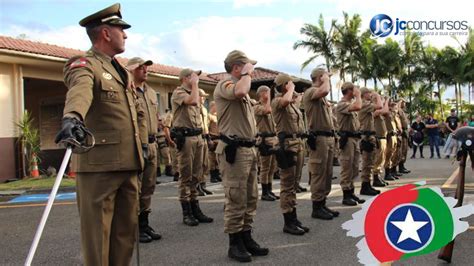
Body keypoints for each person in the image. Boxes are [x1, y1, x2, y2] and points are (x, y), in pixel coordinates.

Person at [54, 3, 144, 265]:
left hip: (129, 164)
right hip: (100, 167)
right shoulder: (85, 65)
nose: (125, 35)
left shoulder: (121, 71)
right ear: (106, 33)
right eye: (121, 30)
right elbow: (80, 91)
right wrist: (73, 117)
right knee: (98, 240)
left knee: (125, 237)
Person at [214, 50, 268, 262]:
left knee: (250, 197)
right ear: (236, 67)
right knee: (236, 198)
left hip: (249, 149)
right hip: (235, 151)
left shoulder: (242, 89)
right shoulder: (226, 85)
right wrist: (246, 74)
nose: (252, 71)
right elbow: (239, 90)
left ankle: (246, 237)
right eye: (247, 66)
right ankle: (234, 244)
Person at [171, 68, 213, 226]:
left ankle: (195, 208)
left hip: (198, 136)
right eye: (192, 76)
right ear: (184, 78)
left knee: (197, 174)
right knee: (186, 175)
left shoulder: (193, 92)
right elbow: (193, 101)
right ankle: (186, 212)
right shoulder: (179, 92)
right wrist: (195, 85)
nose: (195, 78)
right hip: (186, 138)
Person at [127, 57, 162, 243]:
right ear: (132, 70)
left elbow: (155, 118)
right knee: (136, 187)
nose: (145, 71)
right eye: (141, 68)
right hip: (137, 145)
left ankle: (144, 223)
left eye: (147, 68)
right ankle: (133, 227)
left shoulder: (150, 92)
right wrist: (128, 72)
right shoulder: (127, 88)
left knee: (149, 186)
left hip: (153, 143)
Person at [272, 73, 309, 235]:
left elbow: (293, 102)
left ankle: (293, 218)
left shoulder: (292, 103)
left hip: (297, 144)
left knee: (294, 183)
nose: (293, 86)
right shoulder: (277, 101)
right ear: (284, 85)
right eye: (290, 83)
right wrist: (291, 89)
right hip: (287, 146)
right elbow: (285, 100)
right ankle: (288, 221)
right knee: (287, 185)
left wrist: (296, 94)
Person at [302, 68, 340, 220]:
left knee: (327, 173)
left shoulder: (320, 95)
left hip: (327, 138)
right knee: (318, 172)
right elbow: (324, 90)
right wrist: (326, 79)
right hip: (319, 138)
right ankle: (316, 207)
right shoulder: (311, 91)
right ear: (319, 77)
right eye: (324, 76)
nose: (327, 78)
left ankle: (322, 203)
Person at [336, 82, 365, 206]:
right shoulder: (342, 104)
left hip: (354, 139)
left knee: (354, 168)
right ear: (349, 91)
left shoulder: (349, 104)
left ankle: (351, 192)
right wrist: (359, 95)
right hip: (347, 139)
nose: (356, 91)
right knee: (346, 168)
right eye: (354, 89)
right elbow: (359, 106)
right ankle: (346, 195)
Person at [254, 85, 279, 201]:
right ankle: (264, 192)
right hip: (264, 140)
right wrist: (269, 98)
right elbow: (267, 110)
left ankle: (269, 190)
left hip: (272, 139)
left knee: (272, 167)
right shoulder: (257, 107)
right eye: (267, 93)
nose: (269, 95)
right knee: (265, 167)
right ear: (261, 94)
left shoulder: (268, 106)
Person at [358, 87, 382, 196]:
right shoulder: (364, 104)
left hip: (369, 136)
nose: (370, 94)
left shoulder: (366, 104)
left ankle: (367, 185)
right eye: (368, 93)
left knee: (370, 163)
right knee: (366, 163)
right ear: (364, 94)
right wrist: (377, 96)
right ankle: (365, 186)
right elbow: (380, 106)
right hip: (366, 136)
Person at [197, 89, 213, 196]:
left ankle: (203, 185)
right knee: (198, 164)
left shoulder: (204, 109)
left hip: (204, 137)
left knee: (205, 164)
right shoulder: (193, 108)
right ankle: (197, 186)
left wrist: (209, 138)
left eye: (204, 96)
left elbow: (206, 126)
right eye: (201, 96)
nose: (203, 98)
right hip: (197, 137)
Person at [371, 96, 390, 187]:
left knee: (381, 159)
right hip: (378, 138)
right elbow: (385, 110)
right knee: (378, 159)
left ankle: (378, 176)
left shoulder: (379, 113)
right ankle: (375, 178)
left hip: (382, 138)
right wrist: (386, 100)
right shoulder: (375, 112)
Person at [383, 101, 399, 181]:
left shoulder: (393, 114)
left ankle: (391, 172)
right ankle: (387, 173)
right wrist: (386, 102)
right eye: (394, 107)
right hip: (389, 136)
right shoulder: (386, 113)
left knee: (393, 154)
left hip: (394, 135)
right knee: (388, 155)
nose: (395, 109)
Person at [207, 101, 221, 183]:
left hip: (218, 139)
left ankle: (217, 174)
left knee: (217, 158)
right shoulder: (209, 116)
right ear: (213, 106)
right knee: (212, 159)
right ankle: (213, 176)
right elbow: (207, 128)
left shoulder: (217, 116)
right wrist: (209, 140)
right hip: (213, 138)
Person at [397, 99, 410, 173]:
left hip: (405, 131)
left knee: (405, 150)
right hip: (401, 132)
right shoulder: (399, 110)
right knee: (401, 151)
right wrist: (399, 101)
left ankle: (402, 166)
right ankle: (400, 167)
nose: (404, 104)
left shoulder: (403, 111)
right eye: (403, 102)